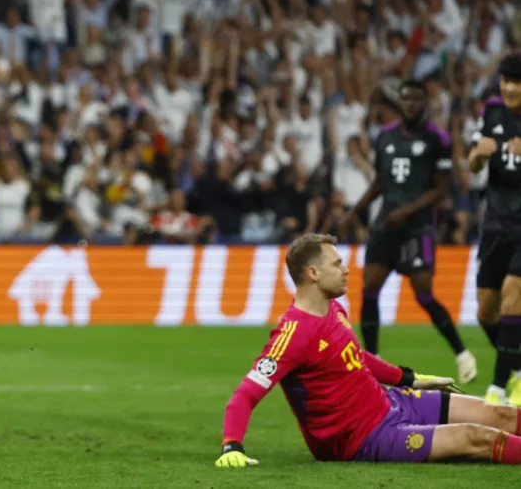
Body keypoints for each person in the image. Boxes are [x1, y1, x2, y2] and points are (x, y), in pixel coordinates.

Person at [216, 233, 521, 467]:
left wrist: (406, 378)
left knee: (496, 412)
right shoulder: (292, 335)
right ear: (313, 273)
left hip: (389, 402)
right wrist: (232, 445)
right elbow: (245, 395)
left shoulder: (334, 307)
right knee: (475, 436)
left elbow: (355, 356)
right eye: (337, 264)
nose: (347, 270)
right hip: (365, 437)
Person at [341, 80, 474, 383]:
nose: (410, 105)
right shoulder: (385, 137)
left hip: (417, 226)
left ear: (425, 102)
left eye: (416, 100)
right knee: (369, 289)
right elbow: (379, 183)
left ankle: (461, 352)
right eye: (406, 100)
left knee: (423, 293)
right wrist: (355, 212)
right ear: (400, 103)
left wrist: (408, 211)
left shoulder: (436, 139)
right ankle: (370, 366)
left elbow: (440, 190)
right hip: (386, 223)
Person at [468, 53, 521, 405]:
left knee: (512, 294)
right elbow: (473, 167)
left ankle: (498, 387)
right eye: (505, 81)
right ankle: (517, 368)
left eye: (516, 82)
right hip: (495, 224)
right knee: (486, 311)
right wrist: (479, 155)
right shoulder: (491, 111)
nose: (510, 88)